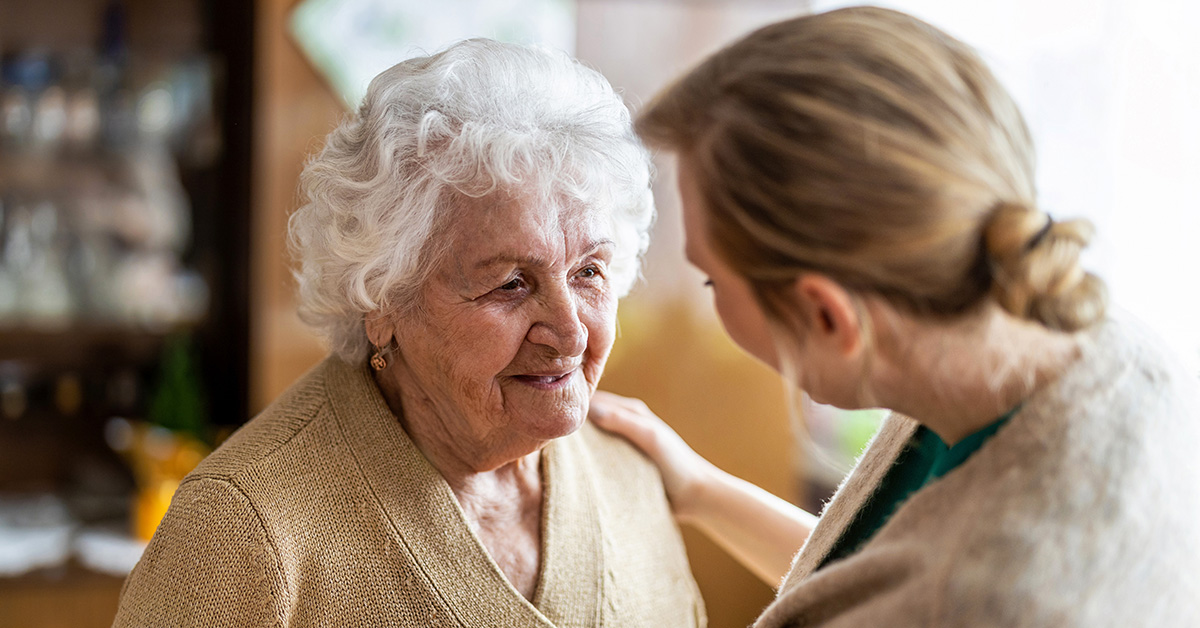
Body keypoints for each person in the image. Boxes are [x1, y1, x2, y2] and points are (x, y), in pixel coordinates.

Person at [590, 7, 1200, 627]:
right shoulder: (1094, 349)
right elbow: (881, 574)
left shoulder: (1008, 599)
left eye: (713, 278)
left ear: (827, 316)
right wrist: (699, 489)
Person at [113, 39, 705, 627]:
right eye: (510, 284)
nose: (571, 335)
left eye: (589, 272)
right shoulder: (241, 531)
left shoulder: (630, 473)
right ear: (381, 298)